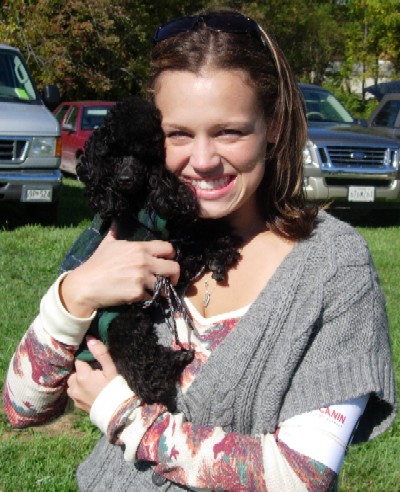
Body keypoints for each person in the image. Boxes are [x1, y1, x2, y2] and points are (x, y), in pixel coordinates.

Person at [3, 9, 396, 491]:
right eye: (179, 134)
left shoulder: (333, 267)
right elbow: (22, 408)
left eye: (229, 131)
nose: (204, 160)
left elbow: (299, 475)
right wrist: (76, 293)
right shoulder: (131, 235)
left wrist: (124, 416)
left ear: (272, 125)